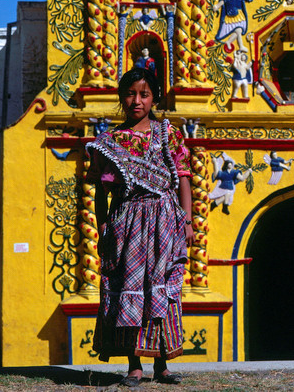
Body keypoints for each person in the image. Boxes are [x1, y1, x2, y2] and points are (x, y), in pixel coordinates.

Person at [85, 68, 193, 386]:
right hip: (126, 224)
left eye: (144, 94)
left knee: (160, 291)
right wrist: (104, 226)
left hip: (164, 221)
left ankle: (162, 365)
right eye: (131, 93)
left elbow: (183, 176)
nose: (137, 100)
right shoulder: (109, 142)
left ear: (154, 98)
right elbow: (100, 188)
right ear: (122, 97)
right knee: (127, 290)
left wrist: (186, 220)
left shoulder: (166, 134)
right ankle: (134, 365)